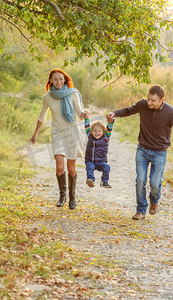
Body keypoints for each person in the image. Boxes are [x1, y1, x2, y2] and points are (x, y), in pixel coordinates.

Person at [106, 84, 173, 220]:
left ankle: (154, 202)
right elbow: (128, 110)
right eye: (148, 99)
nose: (149, 102)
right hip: (142, 149)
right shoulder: (142, 105)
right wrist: (115, 113)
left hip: (160, 152)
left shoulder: (170, 112)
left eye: (153, 100)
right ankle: (141, 210)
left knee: (154, 183)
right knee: (140, 180)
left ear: (161, 100)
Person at [30, 68, 87, 210]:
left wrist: (84, 114)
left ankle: (72, 197)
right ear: (50, 81)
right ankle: (62, 196)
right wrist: (35, 133)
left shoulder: (73, 93)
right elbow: (42, 117)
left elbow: (79, 112)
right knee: (60, 167)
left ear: (65, 79)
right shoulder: (47, 97)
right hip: (57, 134)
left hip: (72, 132)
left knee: (71, 168)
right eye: (55, 79)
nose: (58, 82)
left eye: (61, 79)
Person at [83, 111, 115, 188]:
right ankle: (90, 180)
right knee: (89, 167)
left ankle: (104, 182)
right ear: (91, 132)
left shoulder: (105, 138)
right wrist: (86, 118)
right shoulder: (89, 136)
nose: (97, 133)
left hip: (101, 161)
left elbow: (109, 129)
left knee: (107, 167)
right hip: (90, 160)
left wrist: (110, 123)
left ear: (103, 132)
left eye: (99, 131)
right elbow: (87, 126)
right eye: (94, 131)